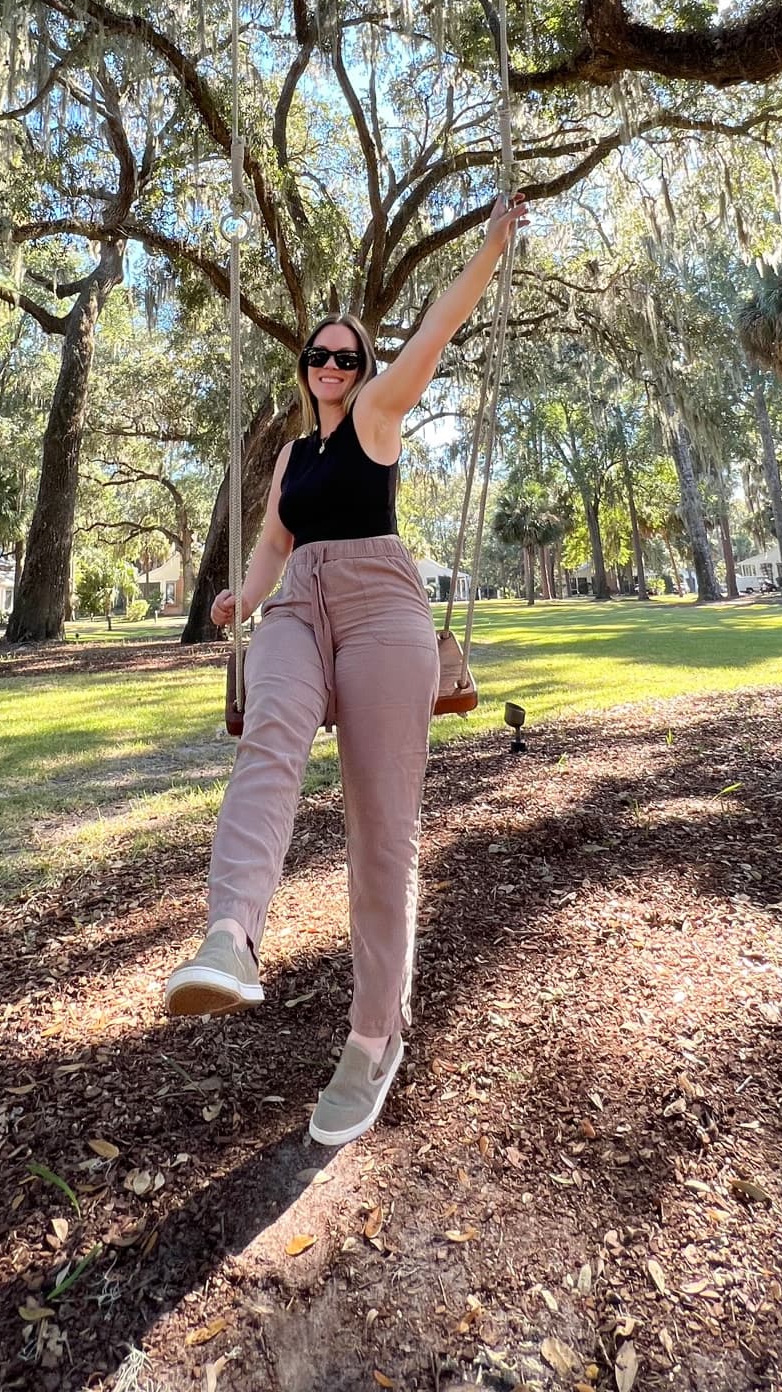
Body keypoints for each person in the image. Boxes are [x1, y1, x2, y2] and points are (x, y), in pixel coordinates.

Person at [164, 190, 529, 1145]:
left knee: (381, 834)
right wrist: (243, 599)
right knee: (269, 744)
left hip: (381, 608)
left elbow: (438, 329)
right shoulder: (289, 456)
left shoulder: (378, 412)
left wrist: (489, 248)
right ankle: (230, 938)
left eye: (347, 355)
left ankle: (375, 1036)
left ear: (362, 369)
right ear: (304, 369)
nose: (332, 365)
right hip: (296, 609)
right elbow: (275, 544)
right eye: (318, 355)